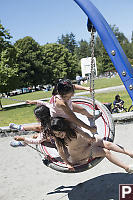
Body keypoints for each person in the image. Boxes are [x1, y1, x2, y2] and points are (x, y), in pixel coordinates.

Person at [49, 117, 133, 173]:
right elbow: (61, 152)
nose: (59, 135)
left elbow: (83, 133)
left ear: (64, 127)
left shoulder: (72, 127)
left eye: (60, 132)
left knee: (108, 144)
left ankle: (130, 153)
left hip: (87, 143)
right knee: (106, 152)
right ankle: (126, 168)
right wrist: (68, 164)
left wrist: (90, 137)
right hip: (81, 153)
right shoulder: (58, 139)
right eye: (56, 134)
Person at [26, 79, 101, 134]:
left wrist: (85, 88)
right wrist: (89, 128)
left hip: (66, 106)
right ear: (62, 95)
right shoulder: (61, 103)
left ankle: (90, 116)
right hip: (61, 115)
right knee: (76, 127)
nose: (72, 96)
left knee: (83, 110)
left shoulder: (60, 88)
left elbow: (73, 86)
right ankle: (86, 140)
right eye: (69, 96)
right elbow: (73, 117)